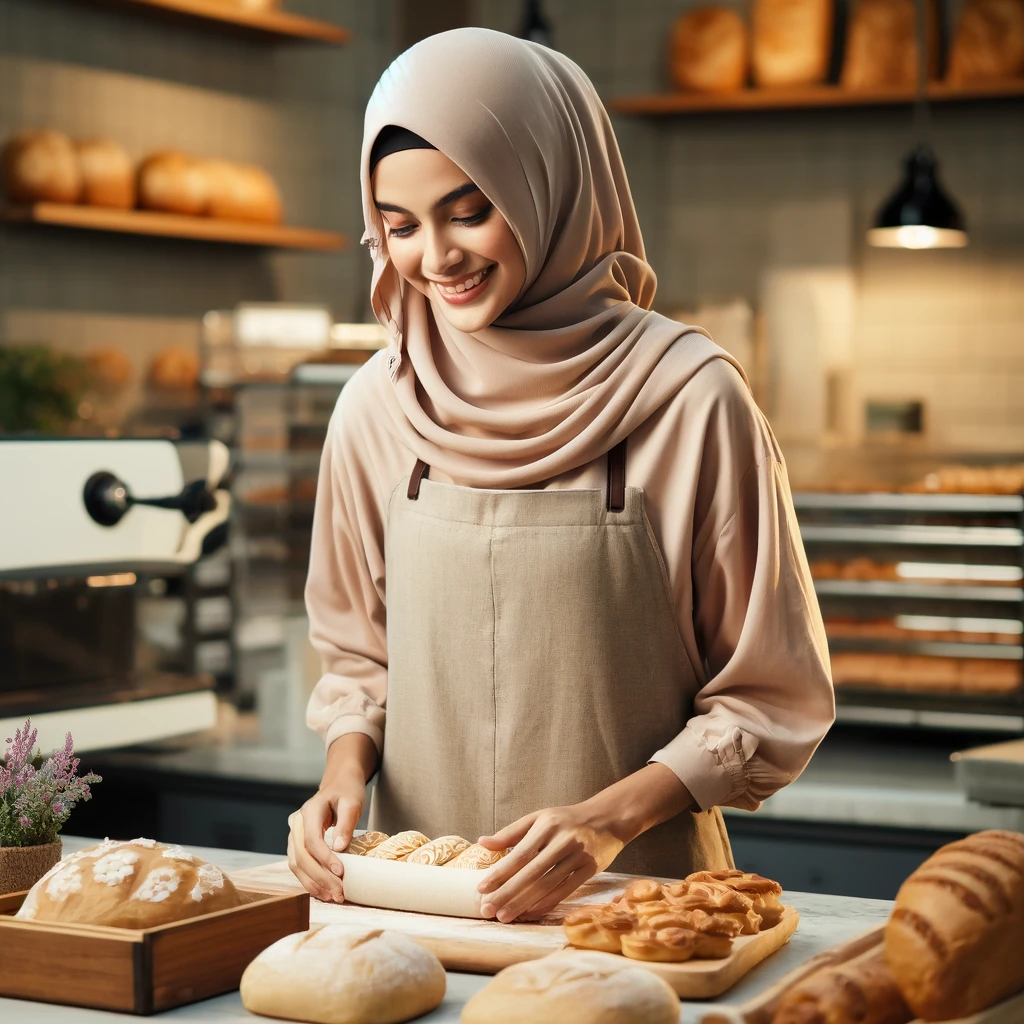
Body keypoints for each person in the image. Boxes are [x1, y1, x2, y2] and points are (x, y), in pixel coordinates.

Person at [288, 27, 834, 925]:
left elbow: (772, 696)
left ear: (550, 186)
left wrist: (605, 824)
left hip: (638, 910)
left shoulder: (692, 398)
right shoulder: (376, 408)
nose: (436, 257)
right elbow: (359, 659)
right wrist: (340, 777)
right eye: (400, 225)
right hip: (406, 910)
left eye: (470, 211)